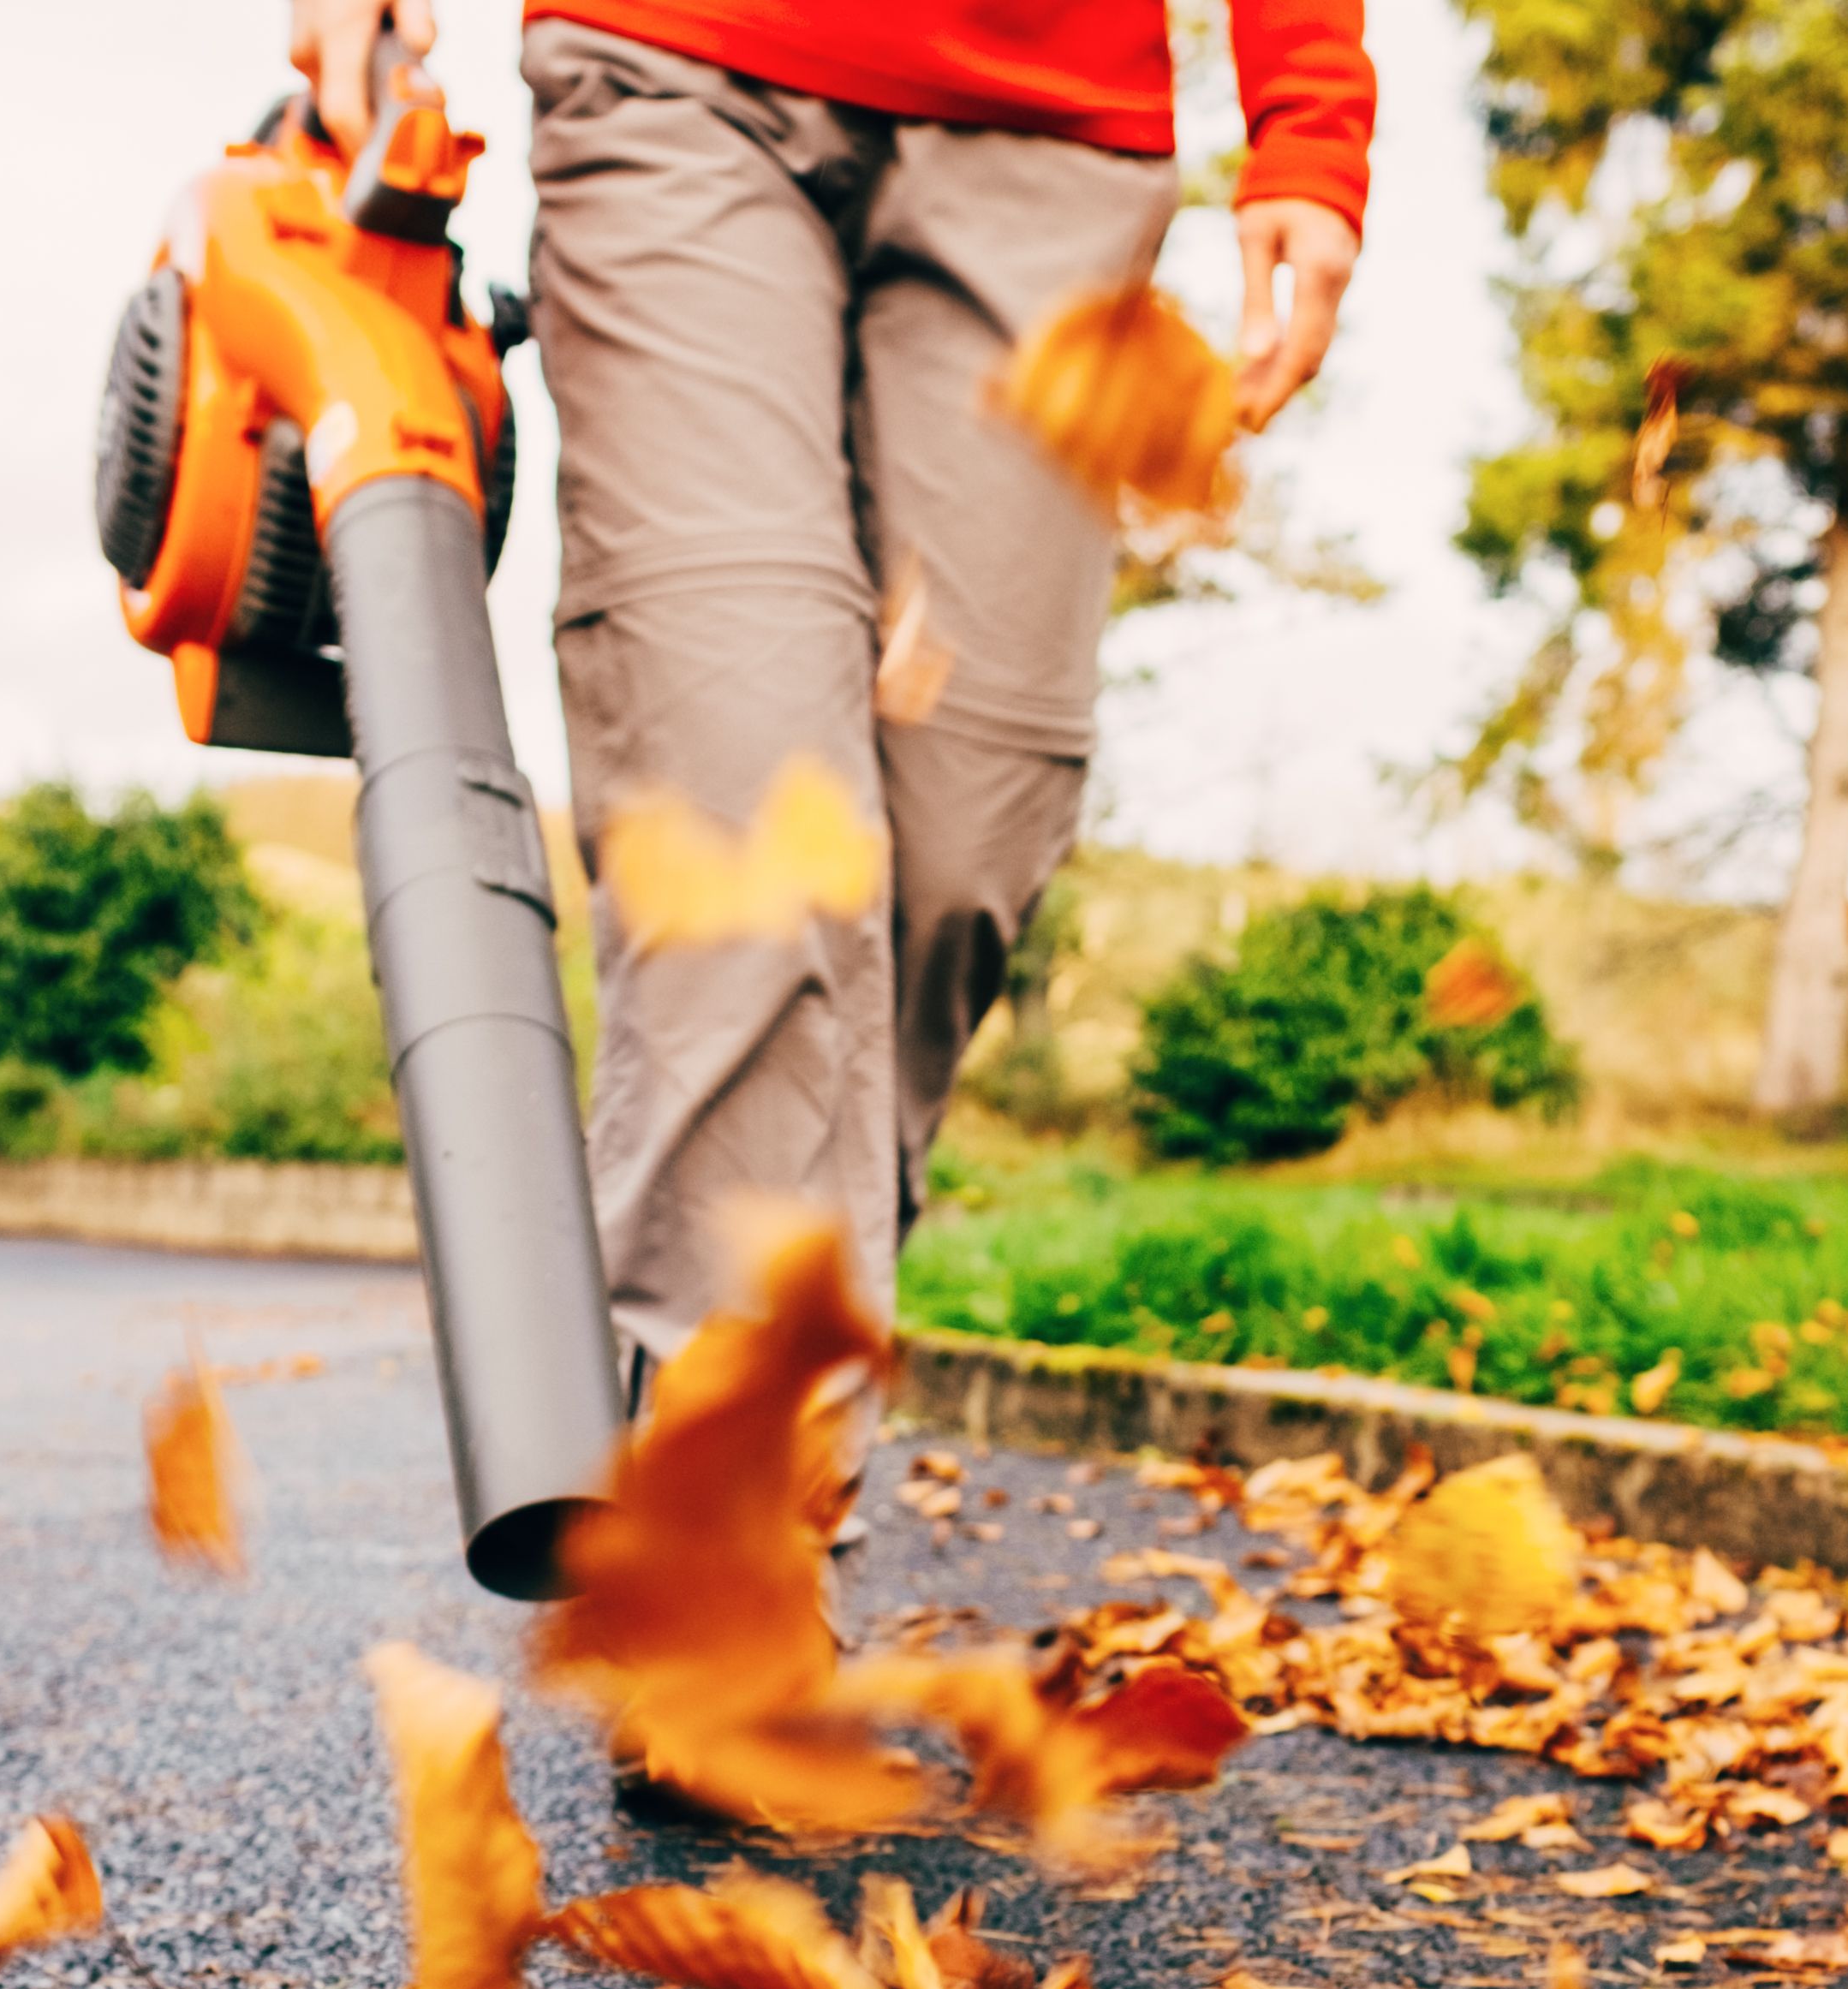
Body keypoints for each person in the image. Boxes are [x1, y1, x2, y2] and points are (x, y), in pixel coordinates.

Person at [290, 0, 1371, 1395]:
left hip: (1059, 125)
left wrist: (1311, 115)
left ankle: (770, 1397)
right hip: (677, 67)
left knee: (968, 835)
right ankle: (721, 1516)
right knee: (754, 818)